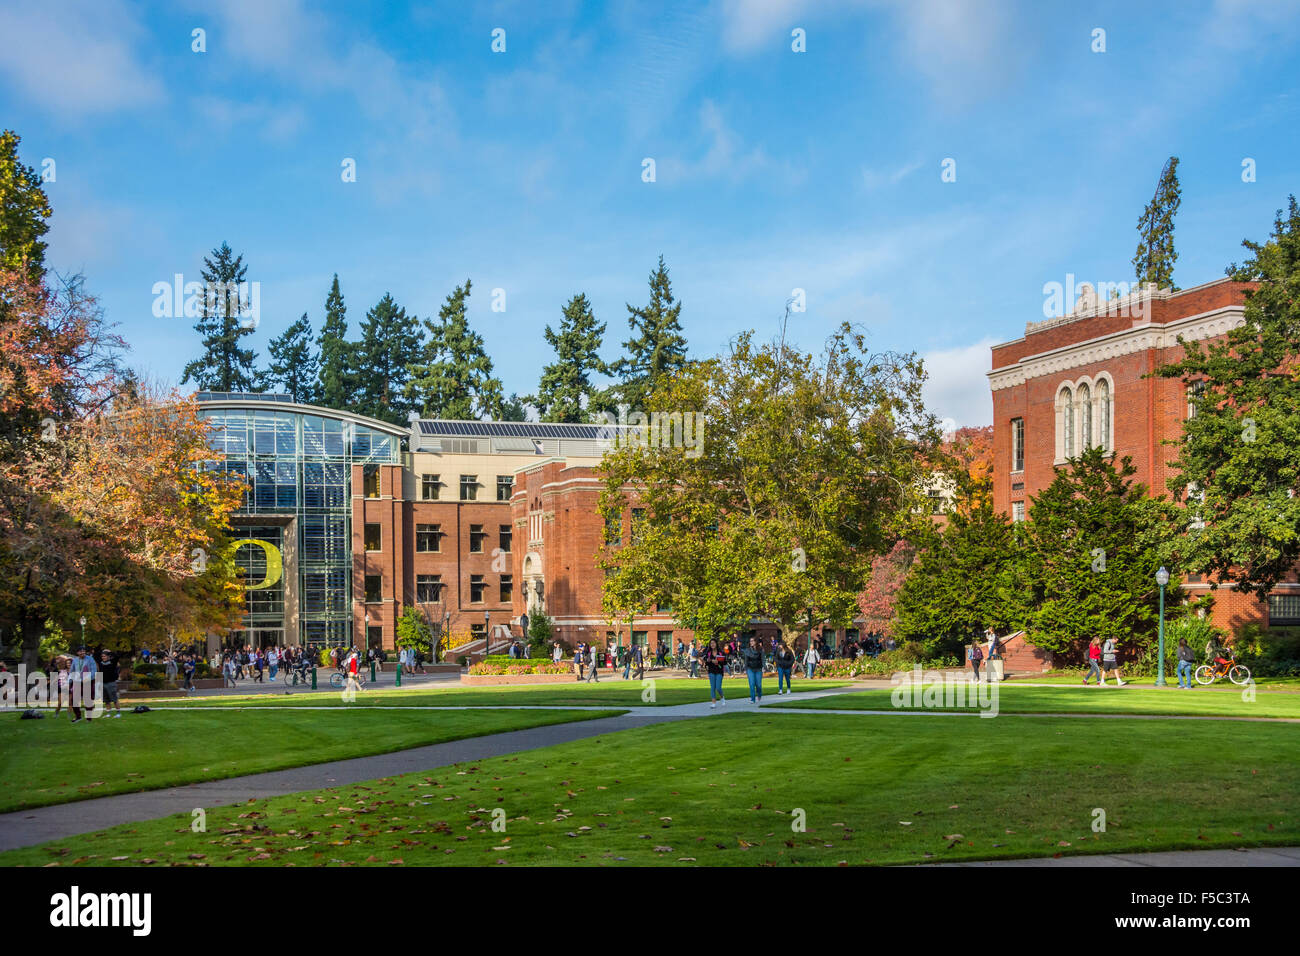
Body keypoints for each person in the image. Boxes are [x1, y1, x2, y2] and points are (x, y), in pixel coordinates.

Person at [69, 647, 97, 723]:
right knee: (73, 700)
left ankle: (89, 718)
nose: (82, 653)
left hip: (88, 682)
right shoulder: (75, 660)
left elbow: (94, 671)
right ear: (77, 653)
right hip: (77, 682)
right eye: (81, 652)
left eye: (84, 651)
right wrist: (69, 681)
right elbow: (72, 671)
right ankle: (78, 717)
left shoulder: (90, 659)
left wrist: (87, 678)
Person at [99, 649, 123, 718]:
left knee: (114, 699)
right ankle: (108, 713)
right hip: (103, 683)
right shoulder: (101, 663)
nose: (103, 657)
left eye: (104, 656)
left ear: (108, 656)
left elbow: (117, 657)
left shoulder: (112, 662)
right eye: (102, 656)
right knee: (106, 700)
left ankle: (118, 713)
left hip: (111, 683)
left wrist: (110, 652)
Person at [704, 638, 727, 709]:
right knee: (712, 688)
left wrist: (718, 662)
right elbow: (706, 661)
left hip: (719, 671)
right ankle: (713, 702)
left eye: (714, 643)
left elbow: (725, 662)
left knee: (718, 687)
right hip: (711, 671)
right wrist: (708, 661)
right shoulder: (708, 653)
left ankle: (722, 697)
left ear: (716, 644)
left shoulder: (721, 652)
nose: (712, 644)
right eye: (711, 643)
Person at [742, 636, 765, 703]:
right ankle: (753, 699)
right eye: (750, 641)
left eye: (752, 641)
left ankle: (759, 694)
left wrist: (764, 667)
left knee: (758, 685)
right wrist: (745, 668)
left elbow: (763, 659)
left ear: (756, 642)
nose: (751, 642)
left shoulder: (761, 649)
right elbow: (746, 660)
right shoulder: (747, 650)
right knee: (751, 684)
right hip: (750, 668)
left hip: (758, 668)